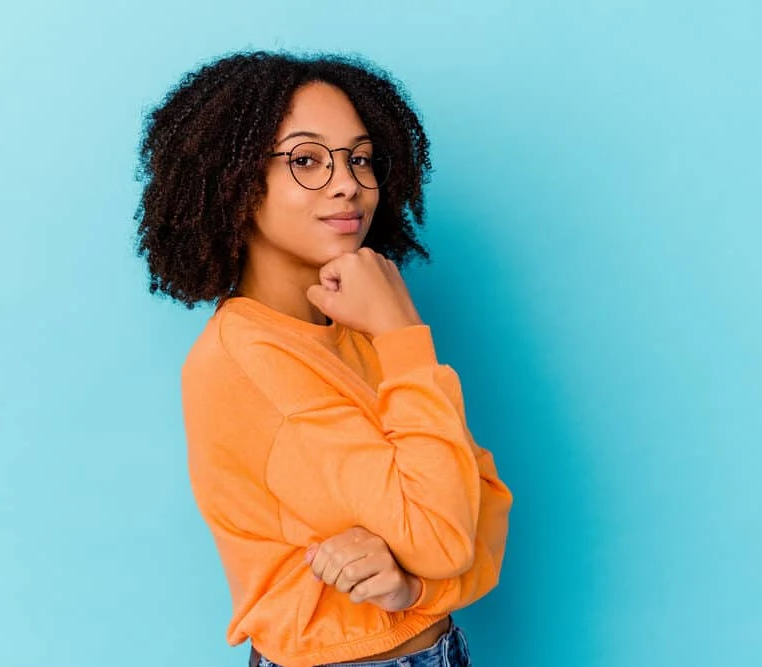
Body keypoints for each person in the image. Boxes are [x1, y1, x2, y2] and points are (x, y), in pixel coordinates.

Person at [134, 51, 513, 667]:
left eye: (360, 158)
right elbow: (444, 536)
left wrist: (417, 588)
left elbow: (484, 501)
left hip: (439, 648)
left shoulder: (358, 328)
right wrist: (402, 331)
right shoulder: (250, 362)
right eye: (307, 160)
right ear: (231, 180)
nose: (348, 184)